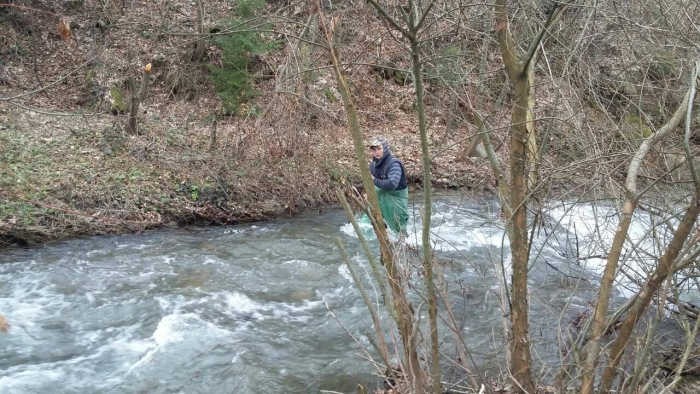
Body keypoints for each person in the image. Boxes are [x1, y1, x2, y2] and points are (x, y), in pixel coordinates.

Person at [368, 137, 409, 235]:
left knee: (399, 229)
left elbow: (392, 184)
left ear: (385, 149)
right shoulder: (372, 165)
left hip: (396, 201)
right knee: (371, 224)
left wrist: (374, 180)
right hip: (380, 199)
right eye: (374, 150)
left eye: (379, 149)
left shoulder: (394, 164)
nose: (377, 152)